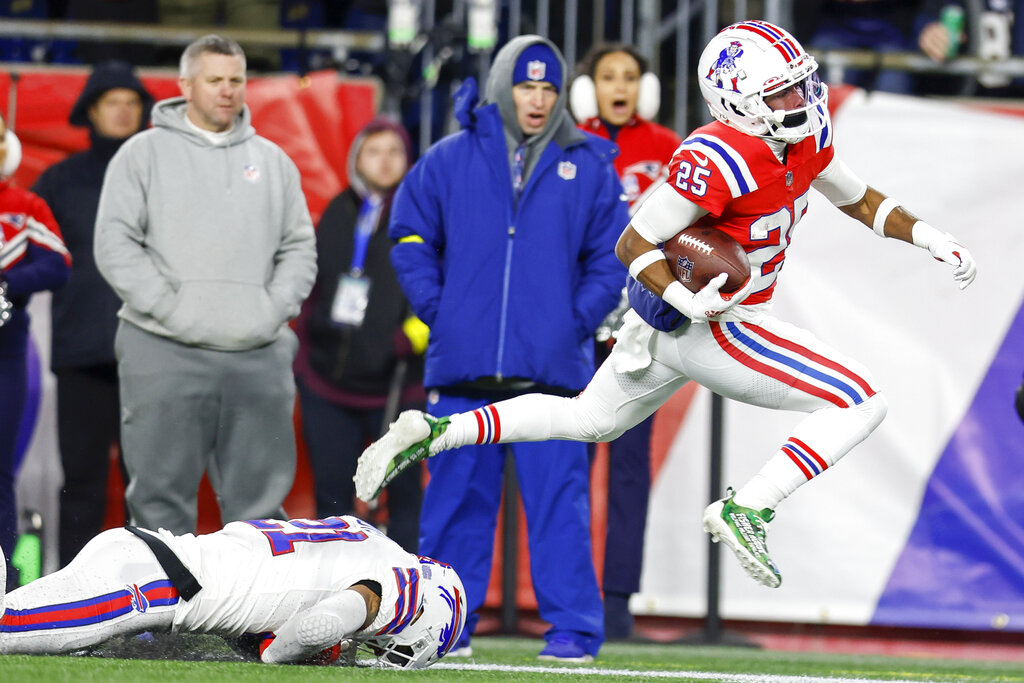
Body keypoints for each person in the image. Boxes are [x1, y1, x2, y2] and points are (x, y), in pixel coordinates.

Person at [356, 20, 978, 591]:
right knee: (861, 398)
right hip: (714, 319)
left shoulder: (804, 138)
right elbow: (633, 241)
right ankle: (749, 507)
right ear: (736, 101)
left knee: (586, 421)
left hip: (683, 321)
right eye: (782, 94)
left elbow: (860, 199)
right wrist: (689, 299)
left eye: (799, 88)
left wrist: (928, 236)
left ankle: (434, 432)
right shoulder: (719, 157)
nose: (800, 103)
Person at [385, 35, 629, 661]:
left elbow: (613, 259)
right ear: (502, 87)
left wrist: (571, 322)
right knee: (454, 507)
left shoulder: (592, 165)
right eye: (527, 86)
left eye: (549, 88)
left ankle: (573, 632)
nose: (539, 99)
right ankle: (444, 627)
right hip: (464, 372)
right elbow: (408, 235)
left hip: (552, 375)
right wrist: (443, 314)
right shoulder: (446, 159)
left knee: (560, 513)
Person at [94, 35, 317, 535]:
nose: (227, 91)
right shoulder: (140, 155)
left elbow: (300, 246)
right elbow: (114, 243)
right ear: (184, 85)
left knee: (260, 514)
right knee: (158, 507)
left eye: (236, 80)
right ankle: (163, 615)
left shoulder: (275, 161)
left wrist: (271, 310)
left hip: (256, 352)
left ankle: (254, 615)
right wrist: (170, 309)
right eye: (214, 80)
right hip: (162, 348)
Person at [0, 514, 466, 669]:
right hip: (147, 585)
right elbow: (319, 625)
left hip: (150, 562)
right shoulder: (404, 586)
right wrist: (276, 654)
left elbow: (273, 586)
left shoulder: (367, 537)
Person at [569, 42, 682, 641]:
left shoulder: (669, 149)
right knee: (573, 462)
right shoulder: (569, 145)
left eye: (631, 76)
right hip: (579, 330)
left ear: (647, 86)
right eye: (608, 76)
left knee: (630, 470)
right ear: (589, 87)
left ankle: (617, 599)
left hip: (643, 327)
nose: (620, 86)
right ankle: (571, 593)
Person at [31, 61, 154, 569]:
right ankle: (70, 597)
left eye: (132, 101)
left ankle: (146, 600)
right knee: (80, 480)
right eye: (112, 101)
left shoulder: (161, 177)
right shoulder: (59, 181)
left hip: (151, 352)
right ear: (91, 111)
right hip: (82, 355)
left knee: (146, 485)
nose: (123, 110)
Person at [294, 116, 426, 552]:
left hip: (396, 383)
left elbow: (442, 283)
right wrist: (305, 342)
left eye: (394, 151)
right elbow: (314, 283)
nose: (384, 161)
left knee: (405, 497)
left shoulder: (423, 213)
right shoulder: (337, 211)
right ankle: (336, 594)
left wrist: (413, 335)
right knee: (332, 497)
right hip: (327, 384)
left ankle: (407, 597)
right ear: (357, 158)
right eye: (374, 151)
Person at [0, 112, 72, 590]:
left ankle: (3, 582)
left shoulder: (23, 206)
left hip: (5, 350)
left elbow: (59, 264)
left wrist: (8, 281)